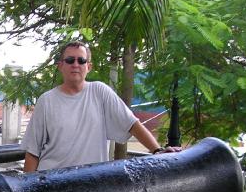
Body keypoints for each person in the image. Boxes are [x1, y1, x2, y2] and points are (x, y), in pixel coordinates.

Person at [22, 41, 179, 172]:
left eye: (81, 60)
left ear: (88, 67)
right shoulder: (46, 101)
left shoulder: (100, 91)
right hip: (52, 181)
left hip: (90, 183)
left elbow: (132, 124)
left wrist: (157, 151)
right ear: (60, 66)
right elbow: (33, 152)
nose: (75, 64)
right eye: (70, 60)